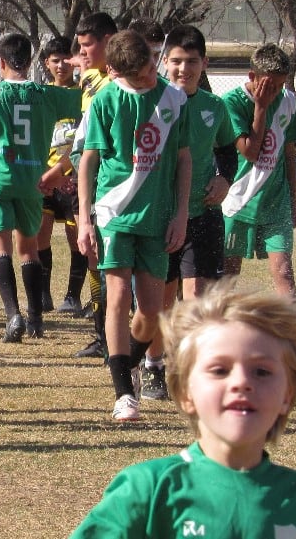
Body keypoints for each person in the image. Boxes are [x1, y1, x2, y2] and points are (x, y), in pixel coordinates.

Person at [69, 290, 296, 538]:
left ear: (287, 395)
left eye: (262, 371)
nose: (240, 382)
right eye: (219, 370)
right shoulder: (149, 489)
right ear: (186, 393)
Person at [78, 29, 191, 421]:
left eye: (149, 69)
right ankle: (123, 394)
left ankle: (128, 364)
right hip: (113, 212)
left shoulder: (174, 99)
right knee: (117, 296)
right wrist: (84, 219)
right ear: (116, 72)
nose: (149, 78)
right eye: (140, 75)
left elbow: (183, 159)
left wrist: (180, 214)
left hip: (157, 216)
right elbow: (89, 160)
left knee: (152, 311)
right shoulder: (106, 99)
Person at [0, 33, 82, 341]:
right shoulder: (47, 93)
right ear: (32, 60)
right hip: (32, 180)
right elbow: (85, 109)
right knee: (29, 250)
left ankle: (13, 316)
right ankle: (36, 319)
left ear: (0, 63)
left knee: (1, 248)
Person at [144, 25, 239, 401]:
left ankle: (189, 370)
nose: (184, 69)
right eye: (177, 62)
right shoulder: (151, 102)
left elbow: (228, 150)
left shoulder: (215, 108)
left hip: (202, 213)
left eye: (192, 62)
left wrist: (224, 180)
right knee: (159, 301)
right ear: (164, 63)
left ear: (205, 63)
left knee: (196, 296)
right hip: (159, 216)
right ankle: (154, 366)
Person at [220, 44, 296, 302]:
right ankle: (221, 335)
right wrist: (260, 107)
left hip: (275, 201)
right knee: (228, 276)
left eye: (279, 86)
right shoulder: (231, 102)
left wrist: (293, 199)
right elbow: (250, 152)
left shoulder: (289, 101)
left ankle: (295, 340)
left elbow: (289, 154)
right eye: (269, 85)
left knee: (283, 272)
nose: (275, 92)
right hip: (238, 202)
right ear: (252, 77)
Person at [69, 12, 118, 359]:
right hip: (89, 180)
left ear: (109, 41)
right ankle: (101, 333)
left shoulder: (119, 83)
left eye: (88, 45)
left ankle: (120, 337)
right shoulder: (89, 77)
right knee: (94, 258)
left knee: (114, 264)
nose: (82, 52)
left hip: (114, 184)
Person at [35, 37, 88, 317]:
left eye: (66, 59)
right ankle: (43, 295)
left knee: (75, 236)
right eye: (55, 60)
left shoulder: (83, 94)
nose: (61, 65)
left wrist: (71, 172)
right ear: (46, 63)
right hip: (45, 177)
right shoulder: (43, 95)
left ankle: (72, 296)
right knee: (40, 235)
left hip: (72, 178)